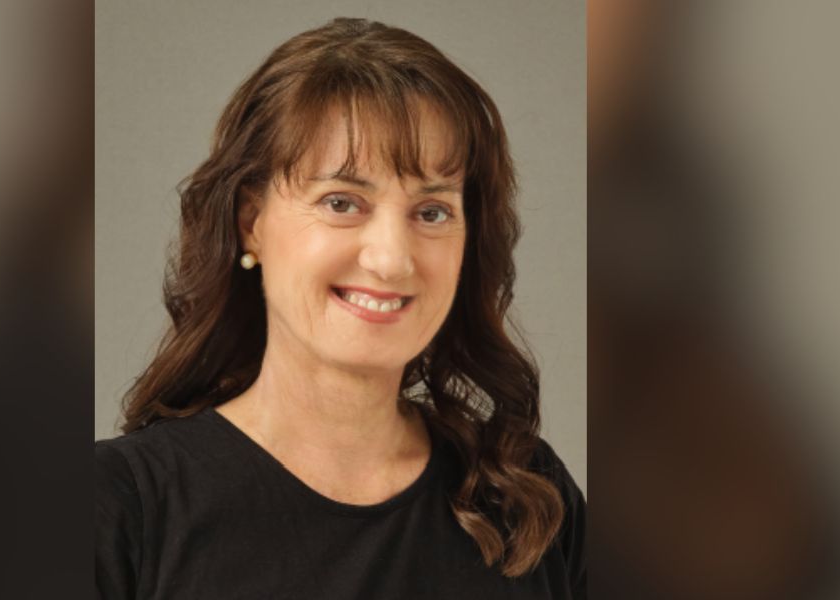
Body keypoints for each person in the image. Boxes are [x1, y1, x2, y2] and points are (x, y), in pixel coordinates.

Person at [96, 17, 585, 599]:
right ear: (251, 223)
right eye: (341, 202)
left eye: (432, 212)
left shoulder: (527, 498)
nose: (391, 260)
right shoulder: (121, 508)